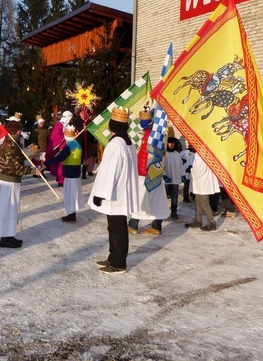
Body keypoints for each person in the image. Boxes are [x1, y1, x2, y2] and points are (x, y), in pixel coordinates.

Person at [87, 106, 139, 274]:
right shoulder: (127, 142)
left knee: (117, 229)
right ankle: (113, 257)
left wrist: (100, 193)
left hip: (115, 194)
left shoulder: (116, 144)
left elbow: (110, 171)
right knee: (116, 227)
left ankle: (118, 263)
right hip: (121, 192)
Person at [0, 114, 39, 248]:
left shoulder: (10, 141)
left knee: (9, 209)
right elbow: (15, 166)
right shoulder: (11, 144)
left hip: (8, 180)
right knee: (8, 209)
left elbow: (17, 157)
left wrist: (29, 152)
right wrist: (32, 171)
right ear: (18, 131)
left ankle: (8, 235)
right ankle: (6, 237)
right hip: (8, 181)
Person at [128, 106, 169, 236]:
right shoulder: (156, 134)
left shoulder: (150, 135)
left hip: (146, 174)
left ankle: (133, 224)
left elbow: (147, 155)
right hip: (153, 172)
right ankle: (156, 225)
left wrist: (140, 171)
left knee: (142, 199)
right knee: (155, 200)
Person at [42, 124, 84, 222]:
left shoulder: (68, 147)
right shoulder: (78, 145)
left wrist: (47, 162)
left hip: (69, 174)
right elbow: (81, 160)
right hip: (76, 173)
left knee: (70, 195)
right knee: (74, 194)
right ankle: (72, 214)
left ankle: (71, 215)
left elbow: (59, 158)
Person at [185, 151, 220, 231]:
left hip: (203, 182)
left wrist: (191, 169)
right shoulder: (205, 152)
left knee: (204, 202)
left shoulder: (201, 154)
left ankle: (211, 222)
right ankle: (198, 219)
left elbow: (199, 169)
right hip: (201, 182)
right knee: (198, 201)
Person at [46, 110, 72, 187]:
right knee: (61, 164)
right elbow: (55, 136)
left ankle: (67, 179)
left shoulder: (70, 124)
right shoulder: (59, 125)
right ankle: (61, 180)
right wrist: (65, 135)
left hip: (70, 146)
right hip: (62, 147)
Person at [163, 133, 184, 220]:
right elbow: (162, 165)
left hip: (175, 178)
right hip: (167, 179)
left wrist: (182, 175)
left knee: (174, 197)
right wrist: (164, 175)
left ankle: (174, 212)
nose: (171, 145)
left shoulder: (177, 154)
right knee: (164, 196)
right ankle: (163, 211)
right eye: (169, 143)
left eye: (173, 143)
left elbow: (181, 165)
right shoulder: (165, 154)